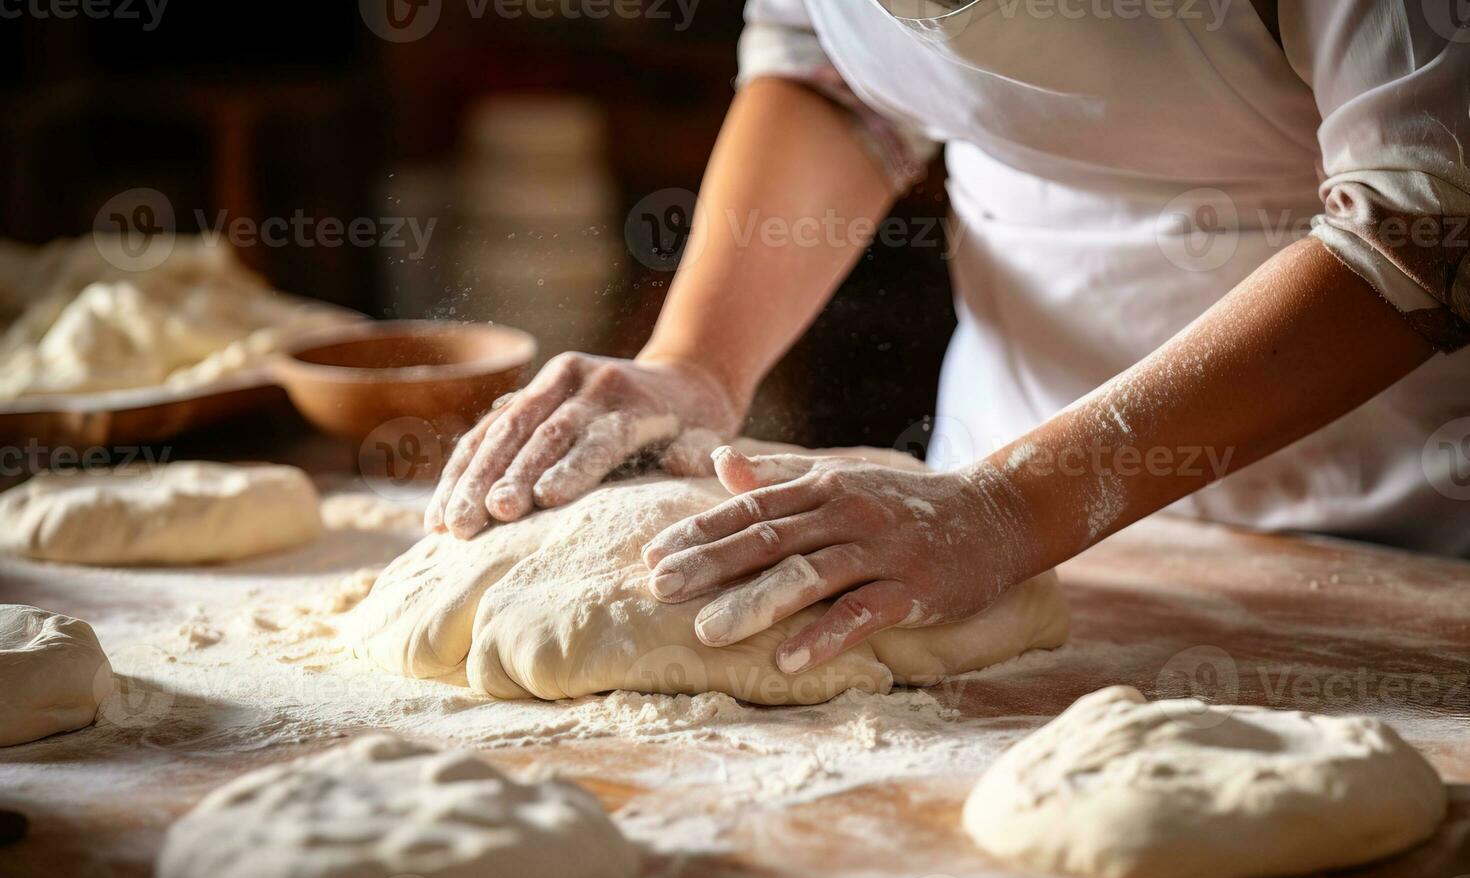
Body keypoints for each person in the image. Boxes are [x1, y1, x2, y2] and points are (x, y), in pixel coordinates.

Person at [427, 1, 1469, 677]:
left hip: (1384, 503)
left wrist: (1014, 506)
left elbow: (1424, 220)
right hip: (982, 488)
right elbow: (828, 72)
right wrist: (697, 357)